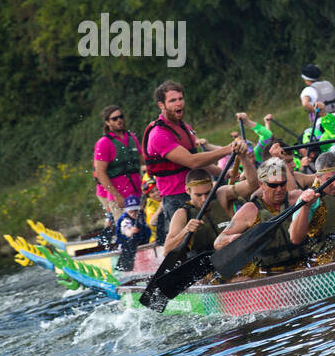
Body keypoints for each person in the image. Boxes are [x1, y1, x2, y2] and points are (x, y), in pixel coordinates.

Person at [142, 80, 246, 244]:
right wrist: (229, 149)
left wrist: (224, 173)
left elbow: (202, 163)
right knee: (189, 246)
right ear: (161, 105)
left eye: (180, 99)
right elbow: (193, 162)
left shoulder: (186, 128)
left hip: (199, 192)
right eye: (173, 100)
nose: (179, 103)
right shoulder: (158, 134)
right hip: (177, 198)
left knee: (212, 236)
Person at [214, 157, 307, 277]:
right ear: (262, 184)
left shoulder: (298, 198)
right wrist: (232, 239)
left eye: (282, 184)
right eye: (273, 185)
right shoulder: (250, 210)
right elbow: (218, 242)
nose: (279, 189)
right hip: (269, 274)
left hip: (302, 267)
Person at [161, 146, 261, 256]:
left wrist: (243, 158)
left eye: (207, 193)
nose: (204, 199)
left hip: (234, 258)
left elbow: (253, 185)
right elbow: (166, 251)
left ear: (212, 186)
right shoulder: (182, 214)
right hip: (205, 268)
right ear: (187, 191)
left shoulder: (222, 195)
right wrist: (185, 231)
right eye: (198, 195)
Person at [93, 106, 144, 224]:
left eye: (121, 117)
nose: (119, 120)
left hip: (138, 194)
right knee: (127, 233)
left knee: (142, 230)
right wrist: (117, 196)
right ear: (107, 122)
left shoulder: (131, 137)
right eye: (114, 118)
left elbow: (143, 161)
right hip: (120, 198)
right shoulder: (104, 143)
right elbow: (100, 173)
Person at [114, 196, 152, 271]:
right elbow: (126, 230)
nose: (134, 213)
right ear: (126, 210)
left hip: (141, 247)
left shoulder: (141, 217)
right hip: (127, 249)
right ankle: (126, 270)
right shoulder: (125, 220)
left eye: (135, 210)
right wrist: (130, 231)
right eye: (130, 211)